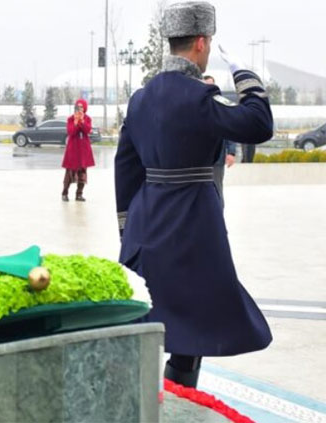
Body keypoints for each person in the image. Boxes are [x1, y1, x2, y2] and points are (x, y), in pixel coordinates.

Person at [115, 1, 273, 388]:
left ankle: (146, 400)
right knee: (194, 328)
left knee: (151, 320)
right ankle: (179, 402)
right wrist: (244, 73)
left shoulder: (141, 98)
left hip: (146, 223)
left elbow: (125, 166)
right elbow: (259, 123)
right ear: (201, 43)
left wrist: (127, 227)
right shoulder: (199, 98)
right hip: (193, 225)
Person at [203, 75, 237, 207]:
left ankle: (218, 221)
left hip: (217, 159)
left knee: (217, 190)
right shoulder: (196, 104)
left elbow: (229, 130)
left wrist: (231, 152)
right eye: (206, 85)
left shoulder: (221, 106)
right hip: (199, 160)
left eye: (211, 85)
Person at [61, 99, 95, 202]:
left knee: (82, 172)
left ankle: (79, 194)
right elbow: (71, 132)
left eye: (81, 107)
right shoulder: (70, 119)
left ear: (84, 108)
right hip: (73, 149)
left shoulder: (87, 119)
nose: (79, 108)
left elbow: (87, 130)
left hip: (84, 149)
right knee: (69, 172)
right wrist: (76, 122)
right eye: (78, 106)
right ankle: (65, 193)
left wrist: (82, 121)